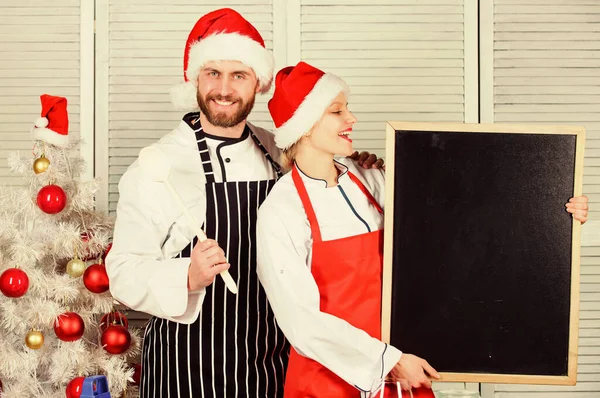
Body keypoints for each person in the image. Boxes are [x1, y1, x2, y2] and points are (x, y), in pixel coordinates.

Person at [255, 61, 590, 398]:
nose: (352, 119)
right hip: (329, 380)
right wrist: (387, 360)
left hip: (404, 373)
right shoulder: (282, 210)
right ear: (306, 126)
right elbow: (301, 321)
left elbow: (461, 228)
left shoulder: (373, 179)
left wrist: (555, 214)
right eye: (337, 111)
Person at [105, 8, 381, 398]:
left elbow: (327, 202)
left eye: (239, 75)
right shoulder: (159, 164)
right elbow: (122, 272)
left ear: (258, 85)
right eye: (213, 73)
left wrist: (361, 170)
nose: (224, 88)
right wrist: (187, 275)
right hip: (189, 367)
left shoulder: (277, 150)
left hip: (274, 360)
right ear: (195, 79)